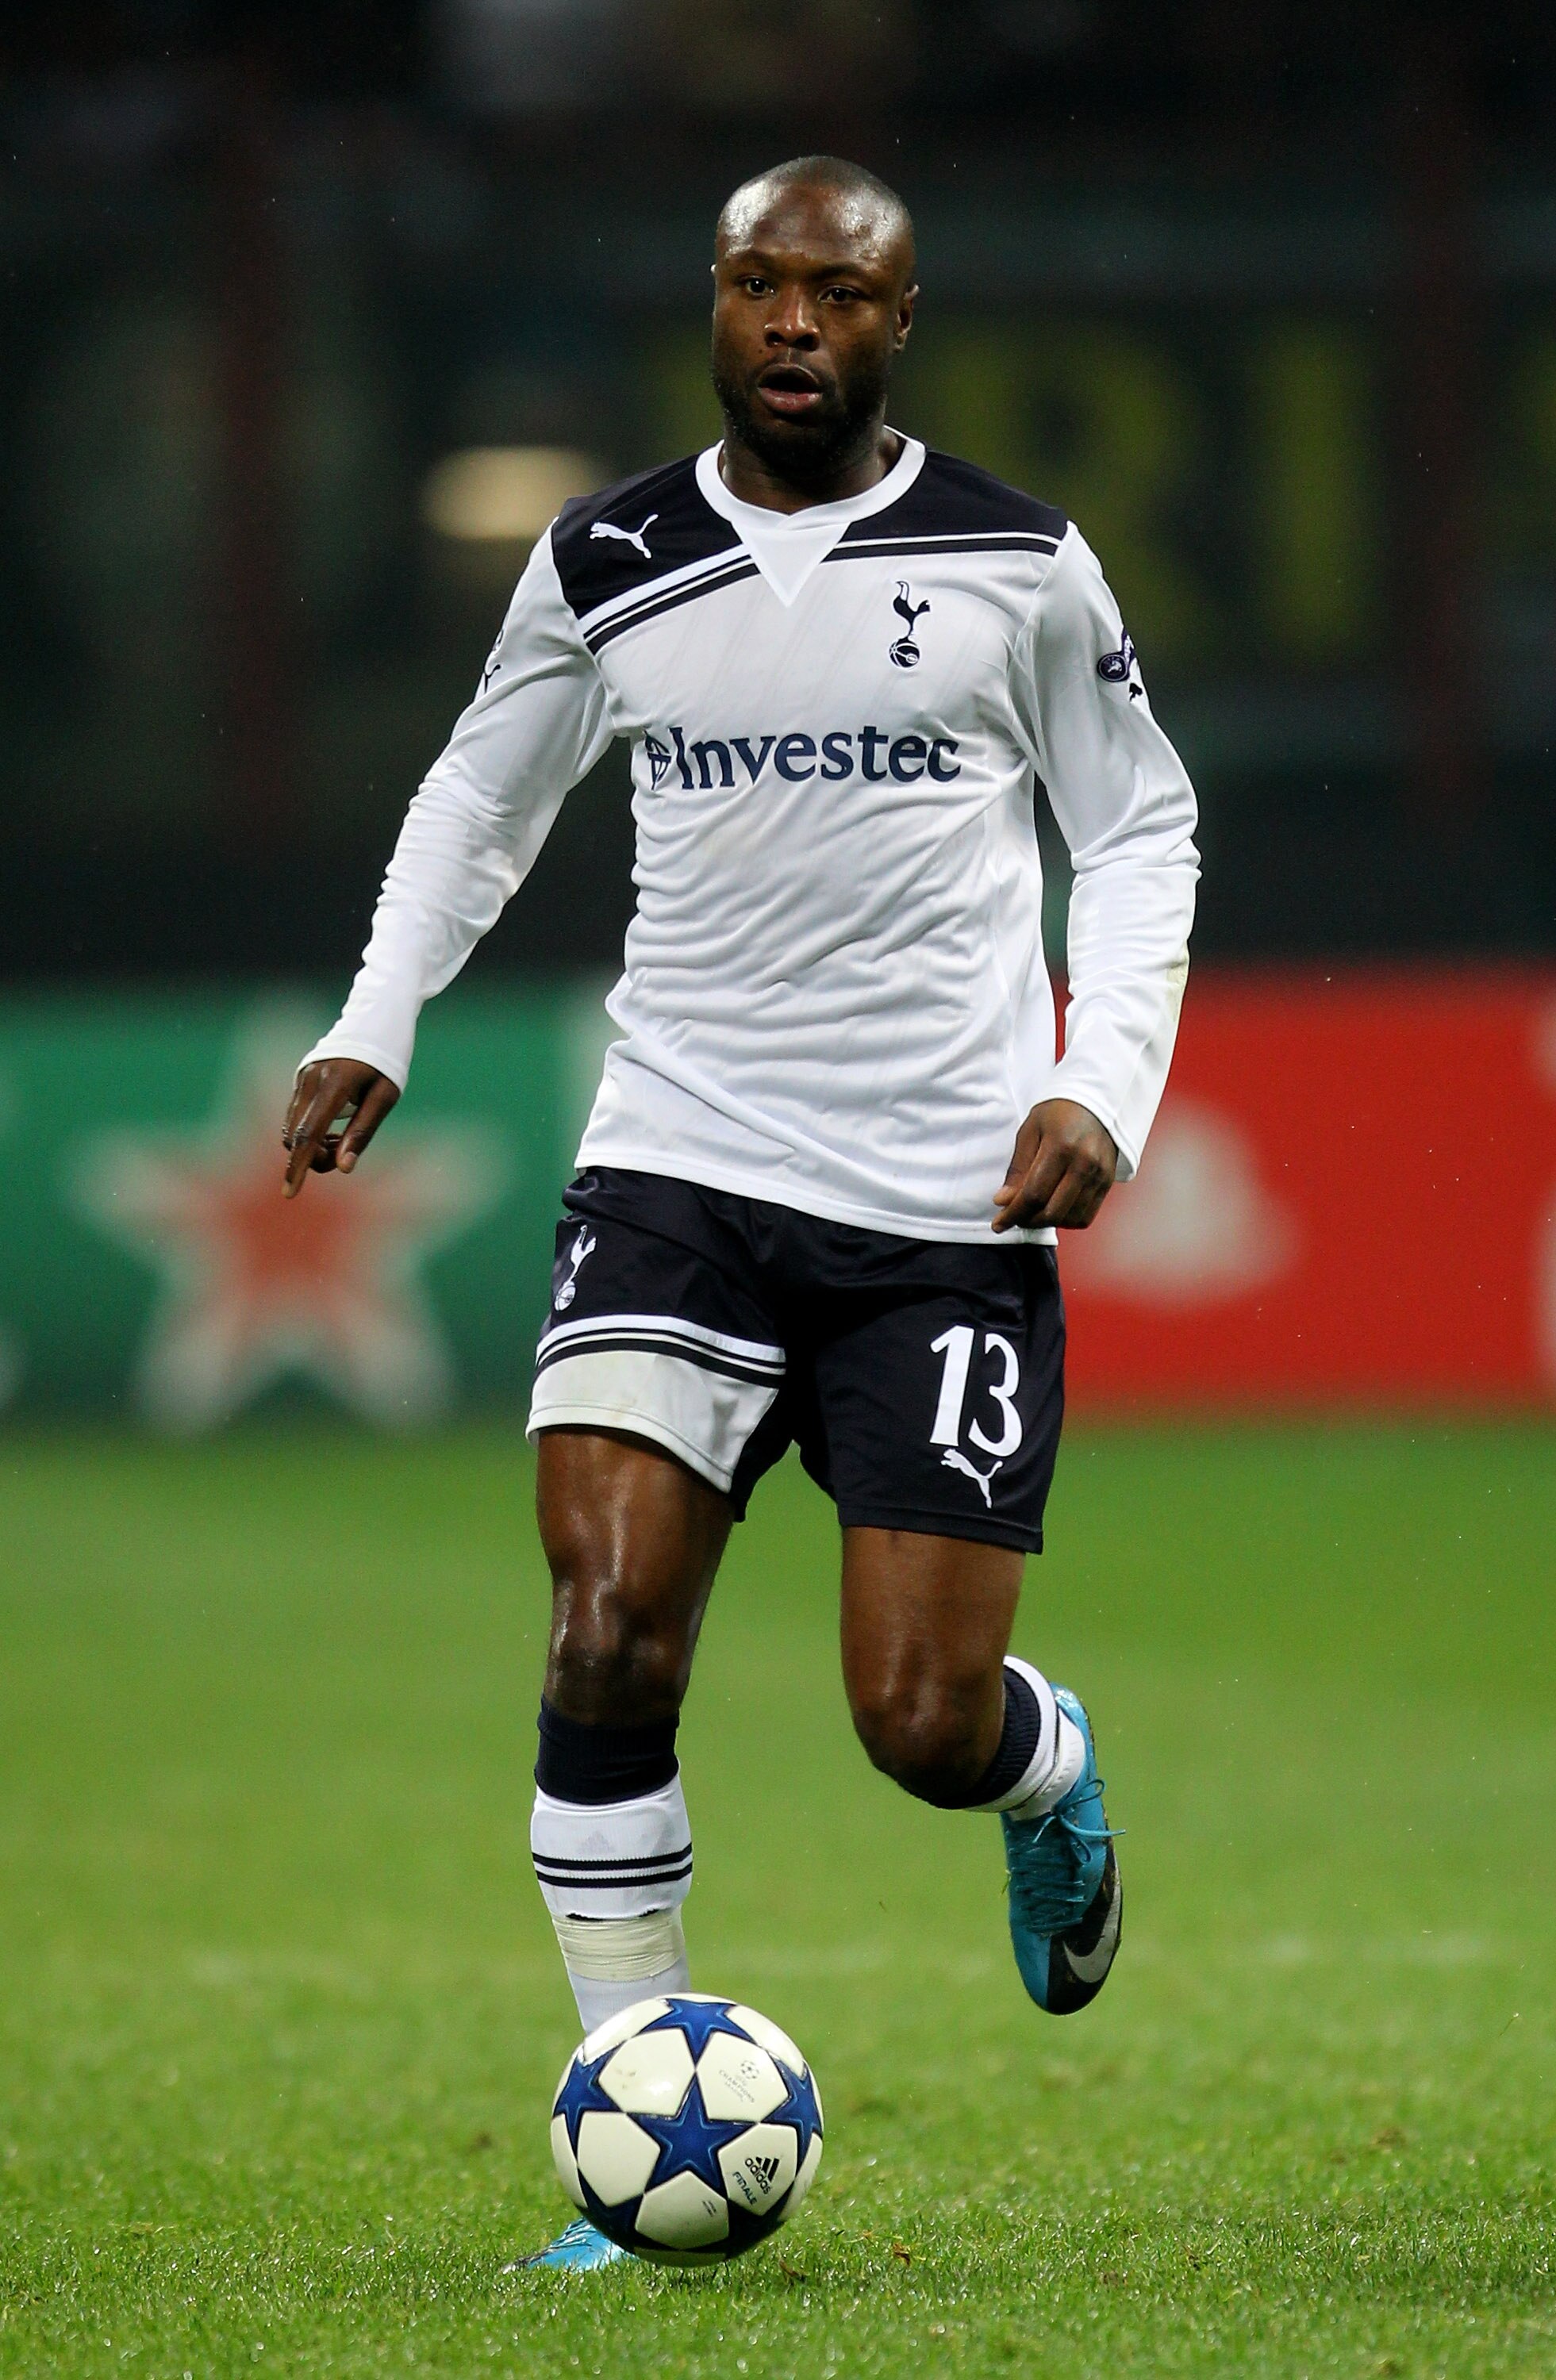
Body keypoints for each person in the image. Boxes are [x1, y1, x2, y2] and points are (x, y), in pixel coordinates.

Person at [282, 155, 1199, 2269]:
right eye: (758, 282)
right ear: (714, 302)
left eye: (840, 292)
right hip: (680, 1160)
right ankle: (630, 2125)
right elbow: (478, 799)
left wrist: (1099, 1076)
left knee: (914, 1722)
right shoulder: (607, 556)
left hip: (943, 1200)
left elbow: (1136, 825)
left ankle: (1042, 1770)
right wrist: (373, 1025)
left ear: (902, 319)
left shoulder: (1014, 561)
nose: (795, 322)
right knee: (605, 1626)